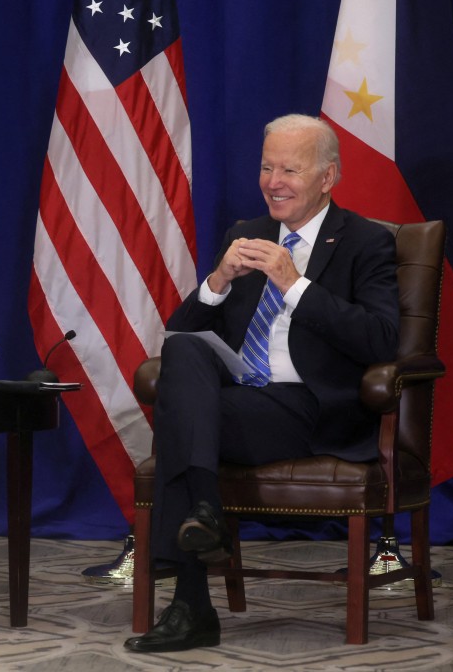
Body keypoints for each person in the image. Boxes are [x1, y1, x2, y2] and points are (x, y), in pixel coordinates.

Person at [123, 114, 400, 653]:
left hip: (309, 407)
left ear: (328, 177)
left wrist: (295, 285)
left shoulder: (366, 242)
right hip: (239, 398)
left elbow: (382, 340)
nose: (274, 182)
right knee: (184, 351)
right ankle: (205, 516)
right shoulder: (244, 235)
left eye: (290, 170)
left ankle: (191, 604)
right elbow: (181, 335)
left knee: (183, 424)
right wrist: (218, 280)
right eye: (266, 167)